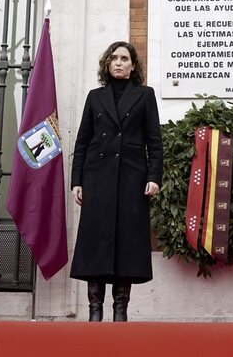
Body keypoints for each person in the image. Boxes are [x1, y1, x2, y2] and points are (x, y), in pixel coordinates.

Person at [70, 41, 163, 322]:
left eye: (125, 58)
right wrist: (77, 181)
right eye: (114, 58)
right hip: (97, 179)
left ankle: (120, 309)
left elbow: (155, 142)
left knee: (128, 244)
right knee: (95, 243)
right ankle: (94, 310)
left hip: (132, 180)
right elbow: (83, 141)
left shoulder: (145, 95)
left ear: (133, 65)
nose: (119, 62)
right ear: (107, 65)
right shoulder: (94, 97)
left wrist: (154, 177)